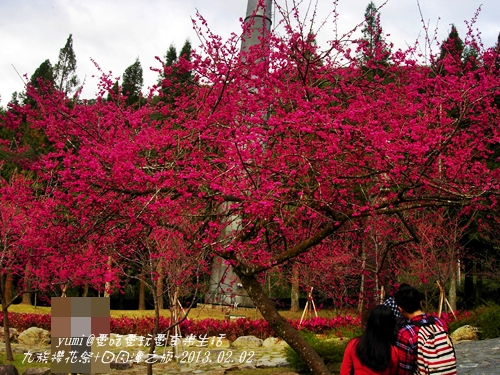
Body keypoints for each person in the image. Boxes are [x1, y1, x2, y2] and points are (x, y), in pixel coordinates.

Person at [394, 286, 448, 375]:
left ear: (400, 309)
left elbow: (404, 371)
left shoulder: (405, 334)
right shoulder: (440, 323)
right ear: (421, 303)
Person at [340, 304, 399, 375]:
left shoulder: (353, 344)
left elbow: (344, 372)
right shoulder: (392, 351)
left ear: (369, 322)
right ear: (391, 326)